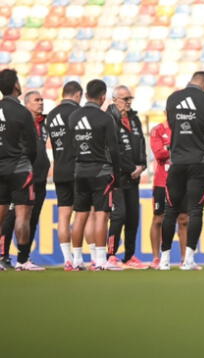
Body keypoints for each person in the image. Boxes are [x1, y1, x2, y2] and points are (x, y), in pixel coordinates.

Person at [160, 71, 204, 270]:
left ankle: (164, 259)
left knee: (170, 210)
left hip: (177, 160)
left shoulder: (173, 98)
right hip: (199, 161)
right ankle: (188, 260)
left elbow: (172, 125)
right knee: (196, 210)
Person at [69, 79, 122, 271]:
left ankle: (76, 260)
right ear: (102, 97)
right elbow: (114, 149)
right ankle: (100, 260)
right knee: (101, 215)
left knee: (80, 215)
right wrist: (117, 173)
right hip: (101, 171)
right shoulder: (105, 118)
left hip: (79, 170)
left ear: (85, 95)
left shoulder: (74, 116)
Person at [0, 91, 48, 271]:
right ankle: (4, 256)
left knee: (31, 219)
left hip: (39, 178)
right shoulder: (19, 120)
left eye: (42, 99)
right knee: (9, 218)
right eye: (37, 100)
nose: (41, 103)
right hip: (21, 176)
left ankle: (23, 258)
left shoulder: (44, 123)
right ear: (26, 104)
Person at [106, 85, 148, 269]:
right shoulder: (109, 119)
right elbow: (113, 149)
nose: (128, 102)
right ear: (114, 100)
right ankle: (111, 254)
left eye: (130, 98)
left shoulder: (135, 119)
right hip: (117, 177)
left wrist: (142, 165)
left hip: (134, 176)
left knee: (133, 216)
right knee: (118, 215)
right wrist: (130, 167)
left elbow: (141, 144)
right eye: (125, 99)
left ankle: (130, 256)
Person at [43, 81, 82, 271]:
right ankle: (78, 258)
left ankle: (67, 259)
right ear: (77, 95)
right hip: (77, 169)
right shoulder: (76, 113)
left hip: (59, 169)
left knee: (64, 216)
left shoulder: (51, 114)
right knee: (83, 214)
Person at [149, 119, 188, 270]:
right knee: (159, 219)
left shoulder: (185, 128)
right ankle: (156, 258)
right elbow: (159, 154)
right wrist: (178, 149)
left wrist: (170, 149)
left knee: (184, 219)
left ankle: (185, 259)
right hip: (162, 181)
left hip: (181, 180)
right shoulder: (157, 130)